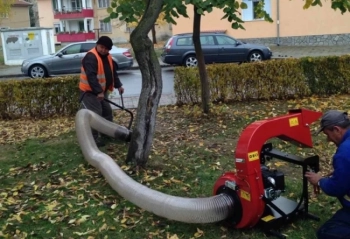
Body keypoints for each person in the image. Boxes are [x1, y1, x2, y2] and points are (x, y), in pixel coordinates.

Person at [305, 110, 350, 239]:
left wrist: (319, 181)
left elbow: (336, 188)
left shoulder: (344, 152)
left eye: (328, 134)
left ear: (336, 129)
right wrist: (341, 172)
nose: (328, 139)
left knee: (326, 232)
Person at [79, 36, 124, 146]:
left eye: (106, 49)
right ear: (97, 45)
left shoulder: (107, 57)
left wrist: (119, 85)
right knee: (95, 115)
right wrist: (98, 91)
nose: (103, 50)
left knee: (107, 112)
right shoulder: (91, 57)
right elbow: (91, 76)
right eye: (101, 47)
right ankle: (93, 139)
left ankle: (107, 133)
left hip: (101, 92)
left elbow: (112, 73)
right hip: (89, 93)